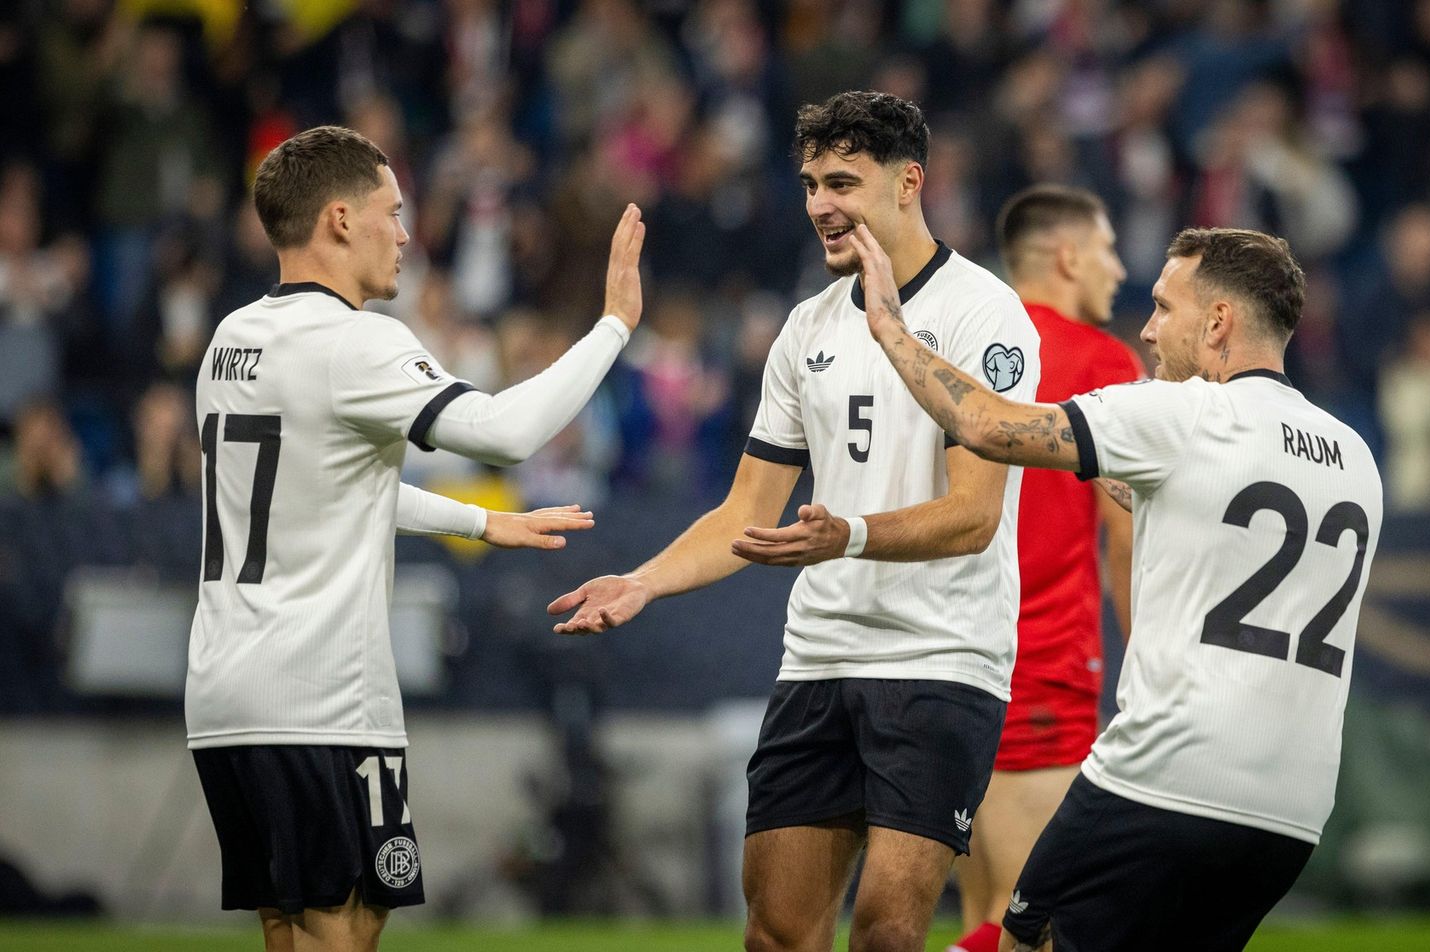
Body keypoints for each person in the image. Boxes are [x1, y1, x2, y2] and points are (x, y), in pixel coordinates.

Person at [549, 90, 1040, 952]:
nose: (820, 204)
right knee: (774, 933)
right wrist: (643, 582)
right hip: (819, 658)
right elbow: (746, 511)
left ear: (909, 183)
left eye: (842, 182)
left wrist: (848, 537)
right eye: (812, 184)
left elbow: (973, 516)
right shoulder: (806, 327)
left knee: (886, 934)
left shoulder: (982, 312)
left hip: (940, 656)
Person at [850, 223, 1383, 952]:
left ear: (1218, 322)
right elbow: (1196, 510)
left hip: (1167, 774)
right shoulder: (1354, 455)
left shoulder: (1182, 414)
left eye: (1164, 307)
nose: (1149, 329)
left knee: (1024, 939)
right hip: (1291, 813)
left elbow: (983, 425)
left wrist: (890, 328)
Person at [186, 125, 646, 952]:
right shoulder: (356, 340)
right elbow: (505, 432)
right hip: (319, 698)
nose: (404, 235)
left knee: (290, 929)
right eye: (392, 212)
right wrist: (613, 325)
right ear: (339, 219)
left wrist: (478, 521)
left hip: (225, 694)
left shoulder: (232, 338)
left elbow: (327, 486)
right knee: (346, 928)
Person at [948, 185, 1143, 952]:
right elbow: (1125, 539)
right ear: (1067, 257)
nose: (1118, 270)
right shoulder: (1102, 361)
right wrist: (1149, 666)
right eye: (1107, 250)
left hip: (953, 655)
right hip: (1041, 664)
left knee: (981, 911)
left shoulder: (957, 346)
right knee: (1031, 920)